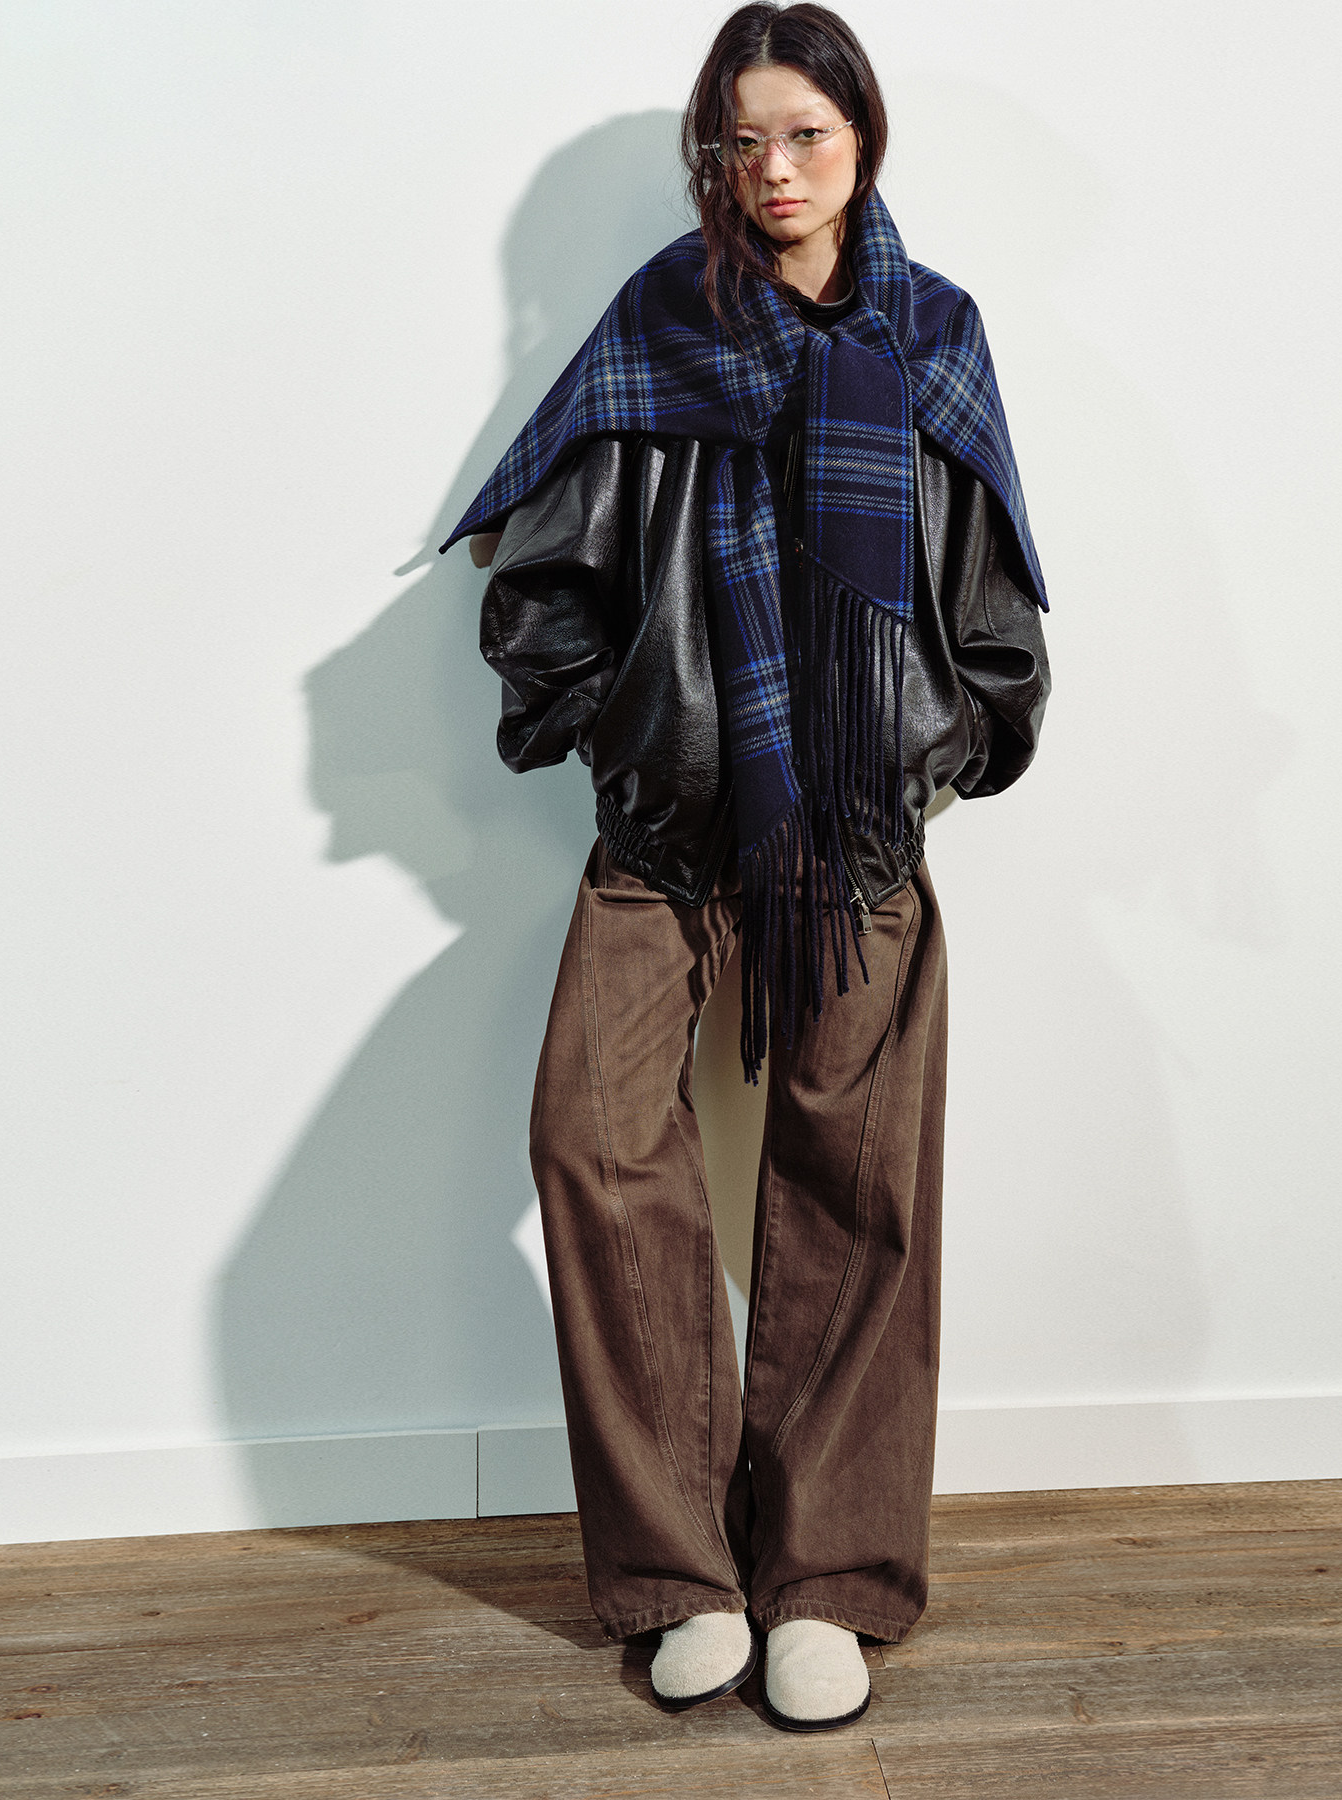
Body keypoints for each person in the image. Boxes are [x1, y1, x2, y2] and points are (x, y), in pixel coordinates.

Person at [443, 1, 1049, 1733]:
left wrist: (935, 746)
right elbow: (540, 576)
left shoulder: (935, 333)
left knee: (857, 1185)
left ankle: (830, 1582)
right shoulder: (663, 318)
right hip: (663, 830)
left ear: (863, 137)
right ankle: (682, 1574)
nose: (772, 170)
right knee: (592, 1139)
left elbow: (994, 588)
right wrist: (625, 726)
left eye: (805, 134)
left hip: (855, 832)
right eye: (740, 139)